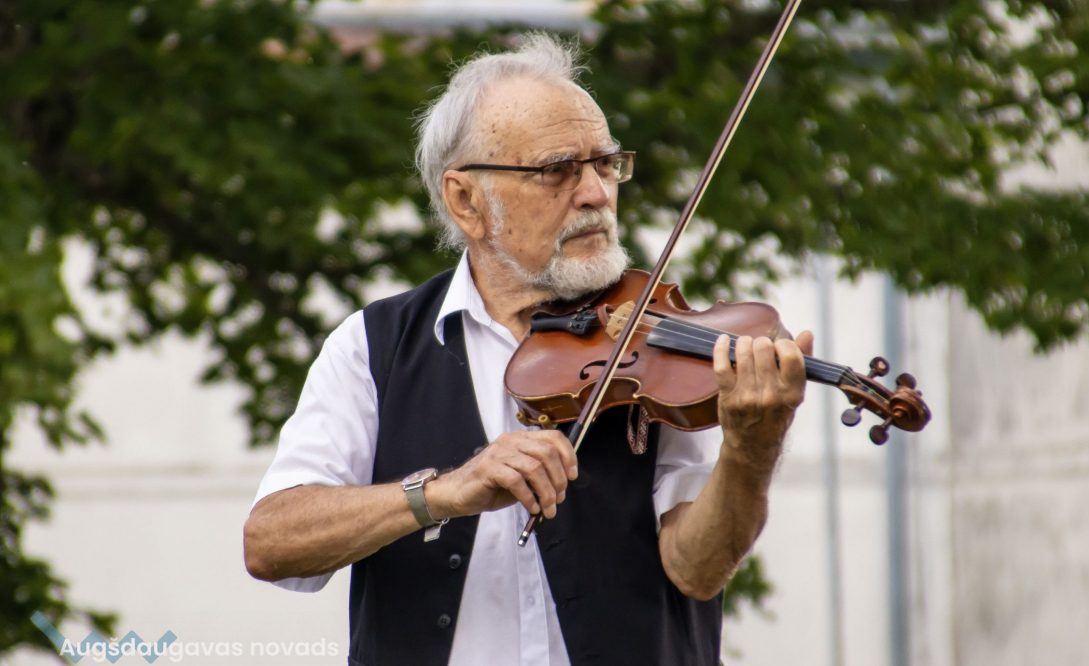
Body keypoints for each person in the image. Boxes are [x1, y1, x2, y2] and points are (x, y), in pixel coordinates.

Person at [243, 33, 813, 666]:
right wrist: (442, 494)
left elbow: (697, 569)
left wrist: (751, 450)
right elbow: (270, 542)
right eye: (557, 170)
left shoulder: (660, 348)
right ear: (466, 201)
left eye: (606, 164)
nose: (596, 193)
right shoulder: (373, 347)